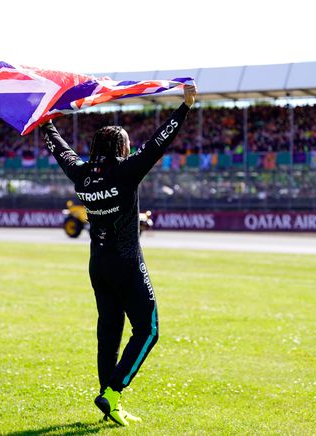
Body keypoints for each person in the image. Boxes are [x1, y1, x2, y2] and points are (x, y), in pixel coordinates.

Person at [41, 84, 197, 426]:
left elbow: (59, 149)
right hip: (127, 263)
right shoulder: (126, 171)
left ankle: (108, 400)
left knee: (108, 334)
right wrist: (184, 108)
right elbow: (159, 143)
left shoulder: (81, 174)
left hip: (98, 265)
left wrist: (43, 121)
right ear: (121, 148)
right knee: (148, 330)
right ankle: (112, 392)